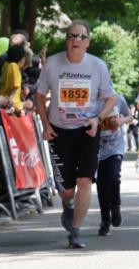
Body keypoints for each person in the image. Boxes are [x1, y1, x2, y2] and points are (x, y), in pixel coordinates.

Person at [35, 20, 117, 249]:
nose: (75, 40)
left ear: (88, 42)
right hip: (59, 130)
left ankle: (76, 230)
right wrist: (45, 123)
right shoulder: (52, 63)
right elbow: (40, 96)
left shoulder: (98, 66)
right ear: (66, 40)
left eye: (81, 37)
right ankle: (67, 204)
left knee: (85, 180)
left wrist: (98, 118)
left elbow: (111, 98)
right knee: (66, 190)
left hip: (87, 130)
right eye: (71, 36)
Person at [95, 92, 132, 236]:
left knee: (113, 178)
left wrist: (120, 121)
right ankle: (105, 219)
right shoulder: (90, 100)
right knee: (101, 184)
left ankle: (115, 207)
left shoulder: (118, 98)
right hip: (97, 148)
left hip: (115, 146)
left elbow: (130, 116)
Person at [0, 43, 27, 114]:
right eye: (24, 57)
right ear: (21, 58)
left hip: (2, 100)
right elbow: (15, 87)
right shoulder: (14, 66)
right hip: (12, 106)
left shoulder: (6, 65)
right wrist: (10, 102)